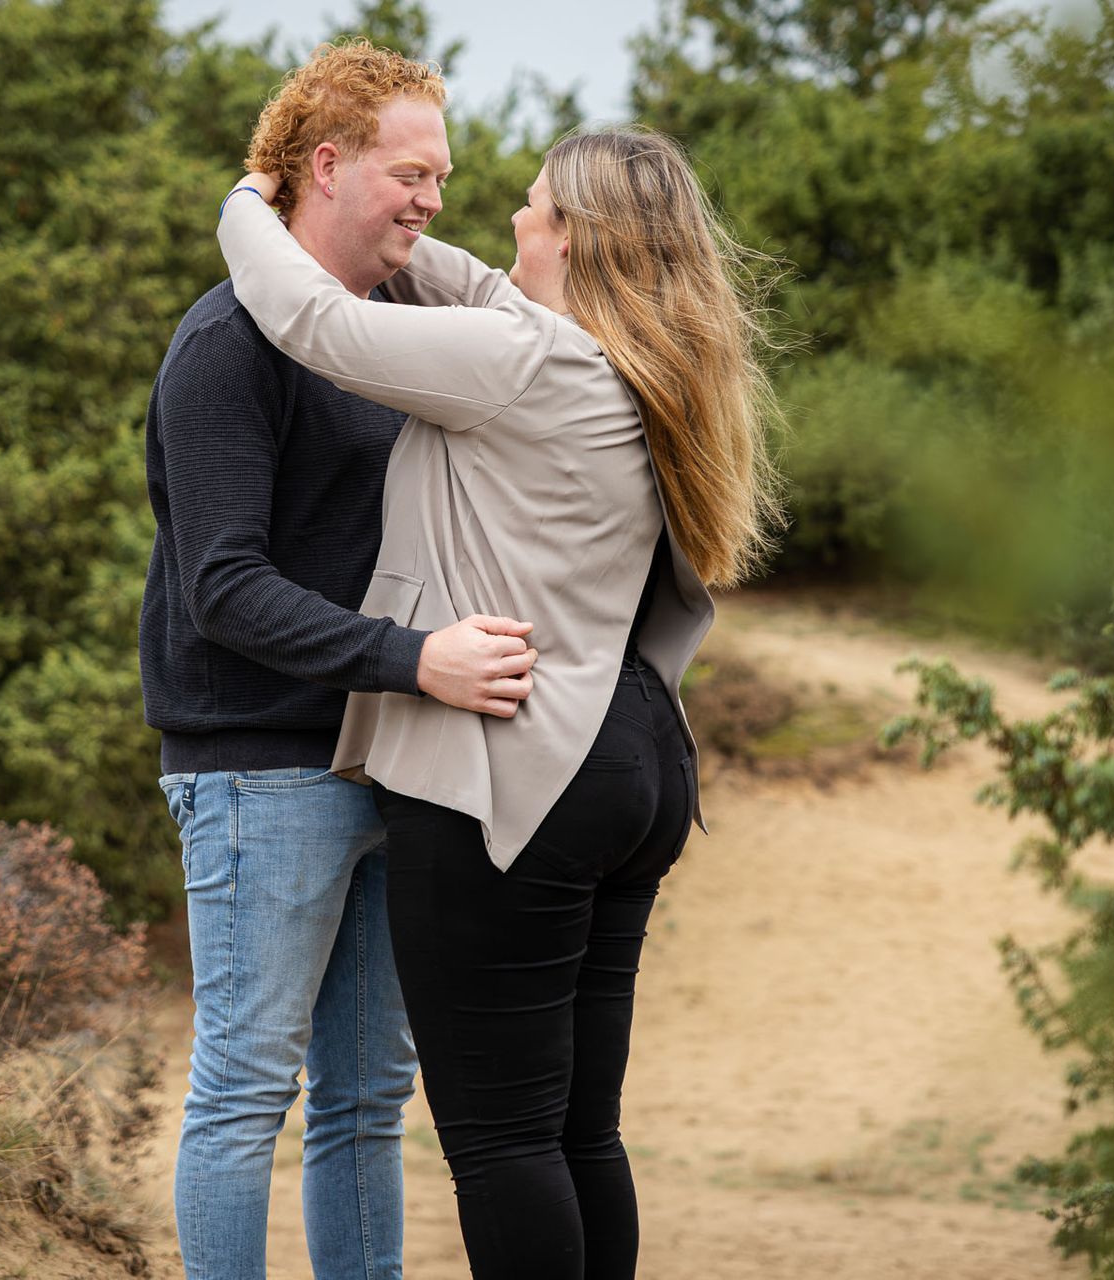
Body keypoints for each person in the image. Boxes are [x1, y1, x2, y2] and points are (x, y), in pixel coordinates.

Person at [216, 124, 782, 1279]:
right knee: (580, 1125)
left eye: (529, 205)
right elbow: (472, 283)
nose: (508, 222)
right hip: (634, 754)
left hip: (525, 767)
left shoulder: (525, 365)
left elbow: (312, 322)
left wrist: (247, 199)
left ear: (571, 237)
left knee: (503, 1137)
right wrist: (397, 227)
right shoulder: (627, 358)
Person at [137, 39, 542, 1280]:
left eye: (443, 177)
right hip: (260, 770)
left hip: (385, 762)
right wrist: (418, 660)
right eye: (411, 173)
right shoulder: (226, 346)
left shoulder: (385, 330)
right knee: (244, 1095)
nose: (432, 199)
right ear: (326, 164)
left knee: (368, 1096)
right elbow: (223, 590)